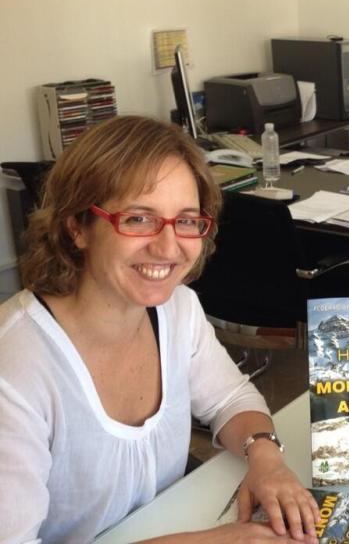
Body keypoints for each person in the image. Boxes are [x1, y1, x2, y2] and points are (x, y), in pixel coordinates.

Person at [0, 116, 318, 543]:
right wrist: (213, 541)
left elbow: (230, 399)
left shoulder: (176, 308)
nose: (168, 247)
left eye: (186, 220)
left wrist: (266, 459)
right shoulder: (15, 366)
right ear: (77, 226)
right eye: (137, 219)